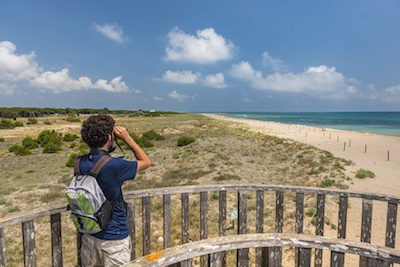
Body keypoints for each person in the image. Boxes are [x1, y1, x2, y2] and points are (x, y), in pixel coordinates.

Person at [78, 114, 151, 266]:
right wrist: (127, 138)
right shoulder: (114, 165)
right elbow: (146, 161)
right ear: (109, 137)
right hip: (113, 240)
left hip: (89, 236)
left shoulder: (79, 162)